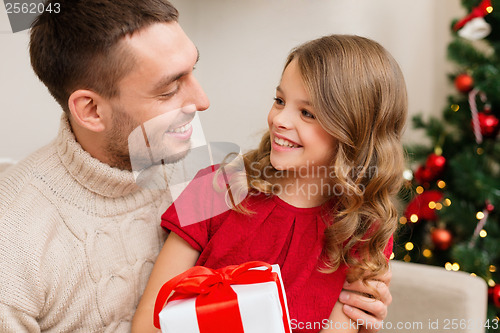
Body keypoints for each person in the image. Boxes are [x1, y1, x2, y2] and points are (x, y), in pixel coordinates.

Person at [0, 1, 392, 332]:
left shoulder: (191, 157)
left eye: (194, 70)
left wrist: (362, 307)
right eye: (169, 88)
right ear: (91, 109)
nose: (203, 101)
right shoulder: (15, 241)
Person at [133, 34, 407, 333]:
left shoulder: (363, 230)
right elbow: (150, 320)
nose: (279, 119)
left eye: (307, 113)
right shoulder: (215, 187)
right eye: (279, 100)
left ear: (353, 132)